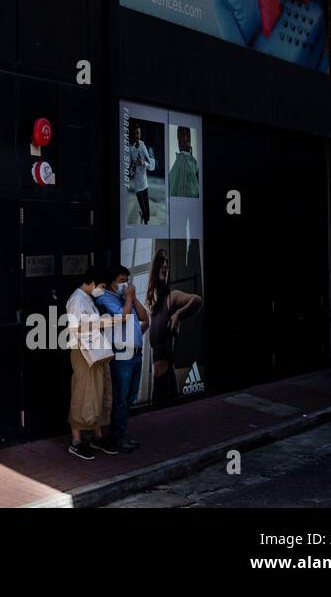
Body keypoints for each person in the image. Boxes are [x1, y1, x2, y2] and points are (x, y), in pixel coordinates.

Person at [94, 265, 150, 451]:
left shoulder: (126, 298)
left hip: (135, 353)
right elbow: (121, 317)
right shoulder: (105, 298)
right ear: (111, 282)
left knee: (131, 396)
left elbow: (144, 317)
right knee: (121, 398)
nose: (124, 284)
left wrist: (132, 298)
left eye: (126, 280)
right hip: (121, 354)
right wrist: (128, 299)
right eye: (121, 281)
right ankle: (116, 437)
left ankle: (122, 433)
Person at [65, 276, 121, 460]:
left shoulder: (87, 298)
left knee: (98, 391)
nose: (102, 290)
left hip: (94, 349)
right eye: (102, 286)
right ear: (91, 282)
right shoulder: (76, 299)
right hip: (83, 351)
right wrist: (103, 323)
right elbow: (75, 328)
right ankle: (76, 441)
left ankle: (97, 436)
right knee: (83, 392)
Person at [145, 249, 204, 400]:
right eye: (161, 266)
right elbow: (145, 330)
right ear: (155, 269)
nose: (165, 269)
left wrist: (178, 315)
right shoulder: (152, 306)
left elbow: (197, 300)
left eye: (167, 267)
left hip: (167, 379)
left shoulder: (173, 297)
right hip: (156, 381)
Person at [126, 123, 155, 224]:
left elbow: (152, 163)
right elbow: (130, 172)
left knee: (147, 213)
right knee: (144, 210)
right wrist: (133, 167)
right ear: (133, 135)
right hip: (137, 185)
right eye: (135, 134)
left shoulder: (143, 146)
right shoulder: (132, 149)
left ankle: (145, 219)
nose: (137, 136)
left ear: (140, 134)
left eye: (138, 133)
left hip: (145, 183)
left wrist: (143, 163)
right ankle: (144, 219)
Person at [168, 126, 200, 198]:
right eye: (178, 139)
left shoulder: (184, 160)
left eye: (181, 137)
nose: (178, 142)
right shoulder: (186, 161)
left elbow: (181, 193)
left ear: (188, 139)